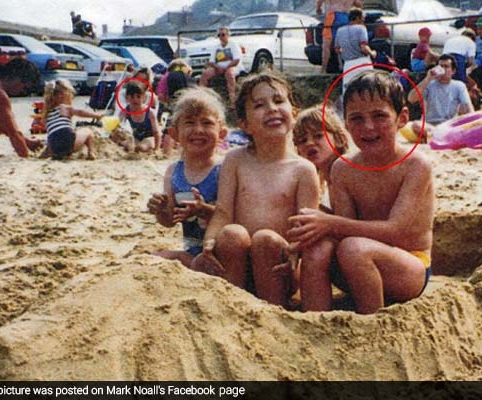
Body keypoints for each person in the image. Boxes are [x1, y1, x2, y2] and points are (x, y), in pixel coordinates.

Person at [287, 70, 434, 315]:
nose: (368, 127)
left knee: (354, 248)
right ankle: (315, 323)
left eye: (379, 116)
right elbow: (345, 230)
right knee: (320, 247)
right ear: (346, 123)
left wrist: (330, 222)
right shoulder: (343, 168)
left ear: (402, 118)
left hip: (409, 267)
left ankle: (371, 324)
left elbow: (396, 230)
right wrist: (299, 244)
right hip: (358, 265)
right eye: (356, 119)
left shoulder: (416, 165)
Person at [190, 71, 331, 312]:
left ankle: (271, 314)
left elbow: (303, 227)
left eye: (278, 101)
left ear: (294, 113)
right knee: (232, 233)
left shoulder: (303, 169)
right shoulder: (235, 160)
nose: (272, 109)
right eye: (259, 105)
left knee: (265, 239)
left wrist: (295, 254)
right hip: (237, 263)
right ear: (244, 124)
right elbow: (223, 211)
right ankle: (232, 309)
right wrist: (210, 241)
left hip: (278, 265)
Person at [147, 87, 227, 268]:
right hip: (191, 251)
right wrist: (160, 209)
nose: (198, 130)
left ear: (222, 133)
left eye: (207, 123)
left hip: (222, 251)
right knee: (150, 259)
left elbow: (232, 216)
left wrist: (204, 210)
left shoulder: (224, 168)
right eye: (190, 123)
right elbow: (169, 221)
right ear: (174, 134)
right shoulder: (173, 172)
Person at [0, 59, 43, 157]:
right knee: (1, 119)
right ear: (17, 80)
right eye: (25, 88)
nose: (23, 91)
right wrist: (25, 154)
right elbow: (12, 130)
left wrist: (27, 142)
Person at [293, 105, 349, 211]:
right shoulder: (319, 183)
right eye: (302, 140)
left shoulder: (349, 173)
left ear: (339, 139)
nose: (309, 143)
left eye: (318, 136)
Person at [407, 54, 473, 136]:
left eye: (446, 66)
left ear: (453, 71)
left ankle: (438, 134)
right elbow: (411, 99)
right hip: (430, 124)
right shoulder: (429, 84)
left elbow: (469, 109)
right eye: (441, 66)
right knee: (416, 125)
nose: (443, 69)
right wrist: (428, 79)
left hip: (448, 125)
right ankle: (439, 134)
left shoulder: (459, 86)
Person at [39, 79, 101, 160]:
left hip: (54, 147)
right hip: (69, 143)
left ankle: (47, 154)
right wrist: (97, 115)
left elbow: (52, 133)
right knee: (87, 132)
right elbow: (80, 112)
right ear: (64, 95)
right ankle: (91, 153)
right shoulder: (64, 108)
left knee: (54, 134)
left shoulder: (48, 114)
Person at [156, 59, 197, 155]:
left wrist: (168, 102)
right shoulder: (188, 76)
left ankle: (167, 153)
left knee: (170, 128)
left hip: (175, 104)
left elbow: (161, 96)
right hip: (191, 103)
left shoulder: (166, 77)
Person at [334, 7, 376, 93]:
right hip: (362, 62)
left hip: (348, 64)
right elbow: (363, 47)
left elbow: (337, 49)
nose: (364, 20)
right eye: (363, 18)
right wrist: (372, 53)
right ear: (357, 18)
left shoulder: (339, 30)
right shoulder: (361, 29)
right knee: (368, 89)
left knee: (348, 92)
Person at [199, 27, 243, 106]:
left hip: (232, 66)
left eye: (223, 35)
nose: (221, 37)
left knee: (229, 74)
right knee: (205, 74)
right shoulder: (216, 47)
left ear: (228, 35)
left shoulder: (233, 45)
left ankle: (232, 99)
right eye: (219, 35)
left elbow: (236, 60)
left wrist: (226, 68)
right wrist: (217, 67)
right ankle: (201, 96)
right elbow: (211, 61)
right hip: (218, 67)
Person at [316, 0, 362, 73]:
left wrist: (318, 9)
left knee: (326, 45)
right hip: (346, 17)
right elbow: (358, 3)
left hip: (333, 16)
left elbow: (319, 1)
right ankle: (342, 66)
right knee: (342, 43)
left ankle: (323, 69)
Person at [116, 81, 161, 152]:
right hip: (136, 138)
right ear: (127, 98)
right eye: (132, 97)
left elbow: (156, 132)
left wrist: (157, 148)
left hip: (150, 137)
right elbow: (117, 123)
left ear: (143, 97)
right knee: (126, 145)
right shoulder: (125, 111)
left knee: (141, 148)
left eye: (138, 97)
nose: (135, 99)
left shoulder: (149, 112)